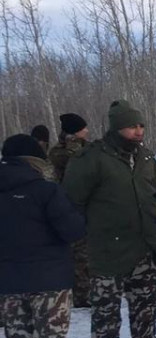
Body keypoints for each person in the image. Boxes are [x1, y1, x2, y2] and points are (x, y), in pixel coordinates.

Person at [62, 100, 156, 338]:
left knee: (147, 305)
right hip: (106, 249)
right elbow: (72, 202)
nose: (138, 132)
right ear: (116, 128)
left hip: (144, 245)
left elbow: (151, 199)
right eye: (131, 126)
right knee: (105, 311)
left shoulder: (146, 158)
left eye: (141, 126)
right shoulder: (92, 159)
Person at [0, 134, 89, 338]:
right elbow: (73, 231)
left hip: (10, 281)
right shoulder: (45, 191)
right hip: (49, 279)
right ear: (34, 160)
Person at [49, 113, 92, 307]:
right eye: (83, 128)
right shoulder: (60, 152)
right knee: (79, 254)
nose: (87, 131)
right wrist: (74, 144)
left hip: (88, 207)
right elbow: (76, 166)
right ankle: (81, 294)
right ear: (75, 132)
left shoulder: (87, 148)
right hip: (71, 208)